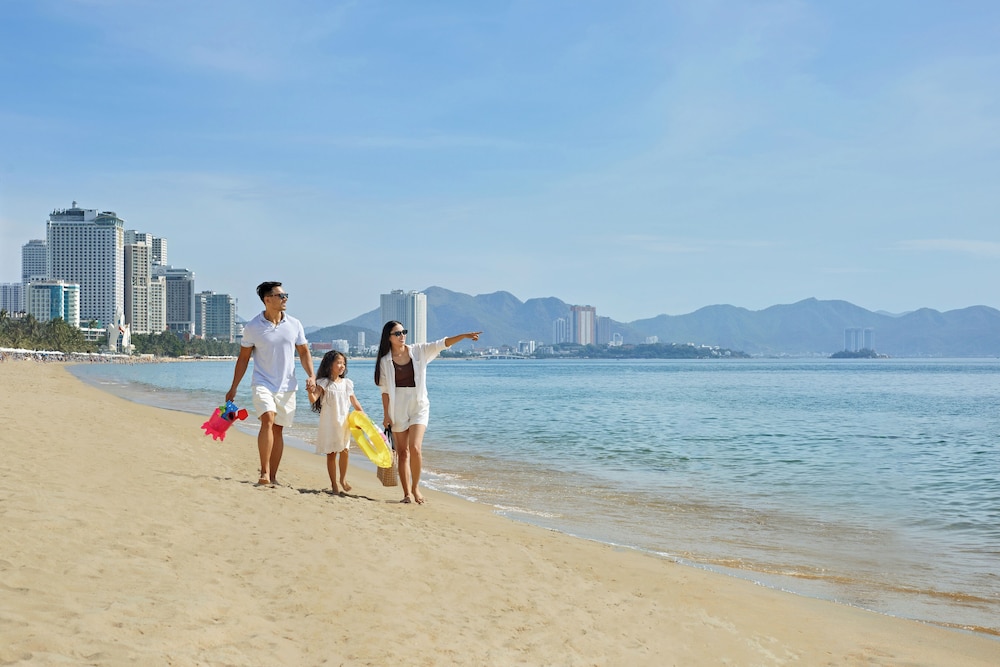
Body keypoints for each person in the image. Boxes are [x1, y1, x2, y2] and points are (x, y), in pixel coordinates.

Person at [375, 321, 482, 504]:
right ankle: (406, 493)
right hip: (397, 407)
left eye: (404, 332)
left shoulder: (418, 351)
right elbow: (384, 391)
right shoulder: (385, 361)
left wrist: (463, 336)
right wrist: (386, 415)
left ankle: (416, 487)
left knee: (415, 448)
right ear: (389, 337)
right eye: (398, 333)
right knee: (402, 452)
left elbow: (442, 343)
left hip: (419, 406)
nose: (402, 336)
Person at [226, 281, 315, 487]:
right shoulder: (253, 327)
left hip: (287, 385)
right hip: (262, 382)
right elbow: (243, 358)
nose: (285, 299)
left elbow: (303, 352)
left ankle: (273, 476)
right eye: (280, 296)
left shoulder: (295, 324)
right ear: (267, 300)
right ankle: (264, 472)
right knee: (267, 419)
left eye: (285, 295)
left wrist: (311, 375)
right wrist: (234, 387)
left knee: (278, 430)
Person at [308, 350, 363, 495]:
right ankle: (334, 484)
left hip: (344, 424)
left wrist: (363, 417)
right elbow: (314, 399)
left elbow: (354, 401)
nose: (342, 366)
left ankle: (343, 479)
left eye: (343, 363)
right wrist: (309, 391)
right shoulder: (324, 383)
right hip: (329, 424)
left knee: (345, 451)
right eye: (338, 362)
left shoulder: (347, 383)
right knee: (331, 454)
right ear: (329, 364)